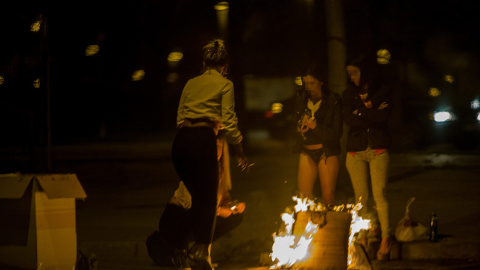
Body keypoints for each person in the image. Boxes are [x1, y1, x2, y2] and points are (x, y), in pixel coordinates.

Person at [171, 39, 249, 270]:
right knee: (207, 201)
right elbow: (230, 121)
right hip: (203, 140)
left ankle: (183, 248)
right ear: (225, 67)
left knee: (197, 199)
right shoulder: (225, 84)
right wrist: (240, 151)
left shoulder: (190, 83)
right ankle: (201, 252)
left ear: (204, 64)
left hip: (181, 143)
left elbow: (180, 117)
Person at [341, 54, 393, 261]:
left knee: (379, 195)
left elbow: (383, 117)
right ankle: (363, 236)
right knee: (361, 198)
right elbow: (348, 119)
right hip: (355, 151)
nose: (351, 77)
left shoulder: (384, 91)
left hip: (378, 149)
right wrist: (368, 111)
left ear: (365, 72)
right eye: (349, 73)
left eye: (354, 72)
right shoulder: (348, 95)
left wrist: (360, 113)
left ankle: (385, 238)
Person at [294, 64, 343, 206]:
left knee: (327, 197)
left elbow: (336, 133)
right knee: (303, 198)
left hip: (326, 151)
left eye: (312, 83)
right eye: (306, 83)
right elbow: (294, 120)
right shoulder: (301, 97)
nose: (308, 87)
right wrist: (300, 128)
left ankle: (328, 225)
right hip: (306, 150)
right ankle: (306, 226)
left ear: (321, 81)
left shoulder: (333, 100)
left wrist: (315, 127)